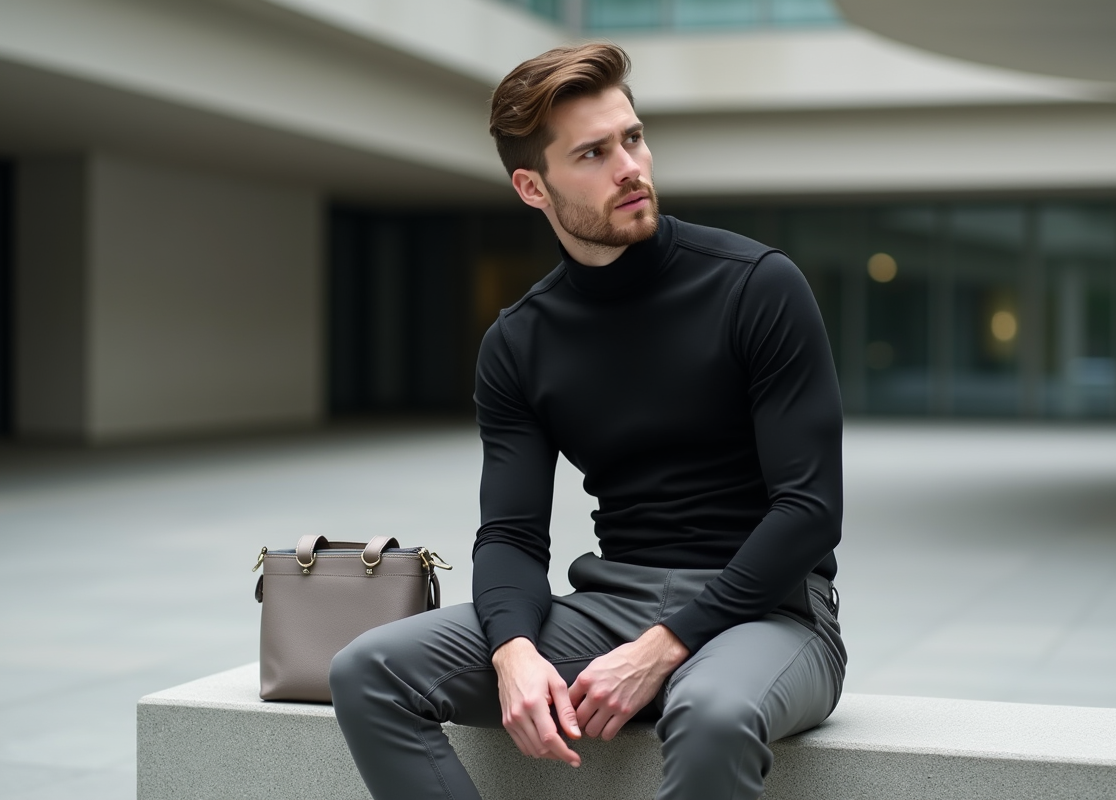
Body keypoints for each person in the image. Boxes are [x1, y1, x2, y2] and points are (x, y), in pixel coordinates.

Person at [330, 42, 847, 800]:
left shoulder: (757, 286)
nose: (630, 167)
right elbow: (509, 533)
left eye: (633, 137)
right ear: (532, 186)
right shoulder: (519, 341)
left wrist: (664, 648)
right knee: (367, 671)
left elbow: (809, 511)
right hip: (611, 607)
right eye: (594, 153)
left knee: (708, 713)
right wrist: (511, 648)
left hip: (775, 612)